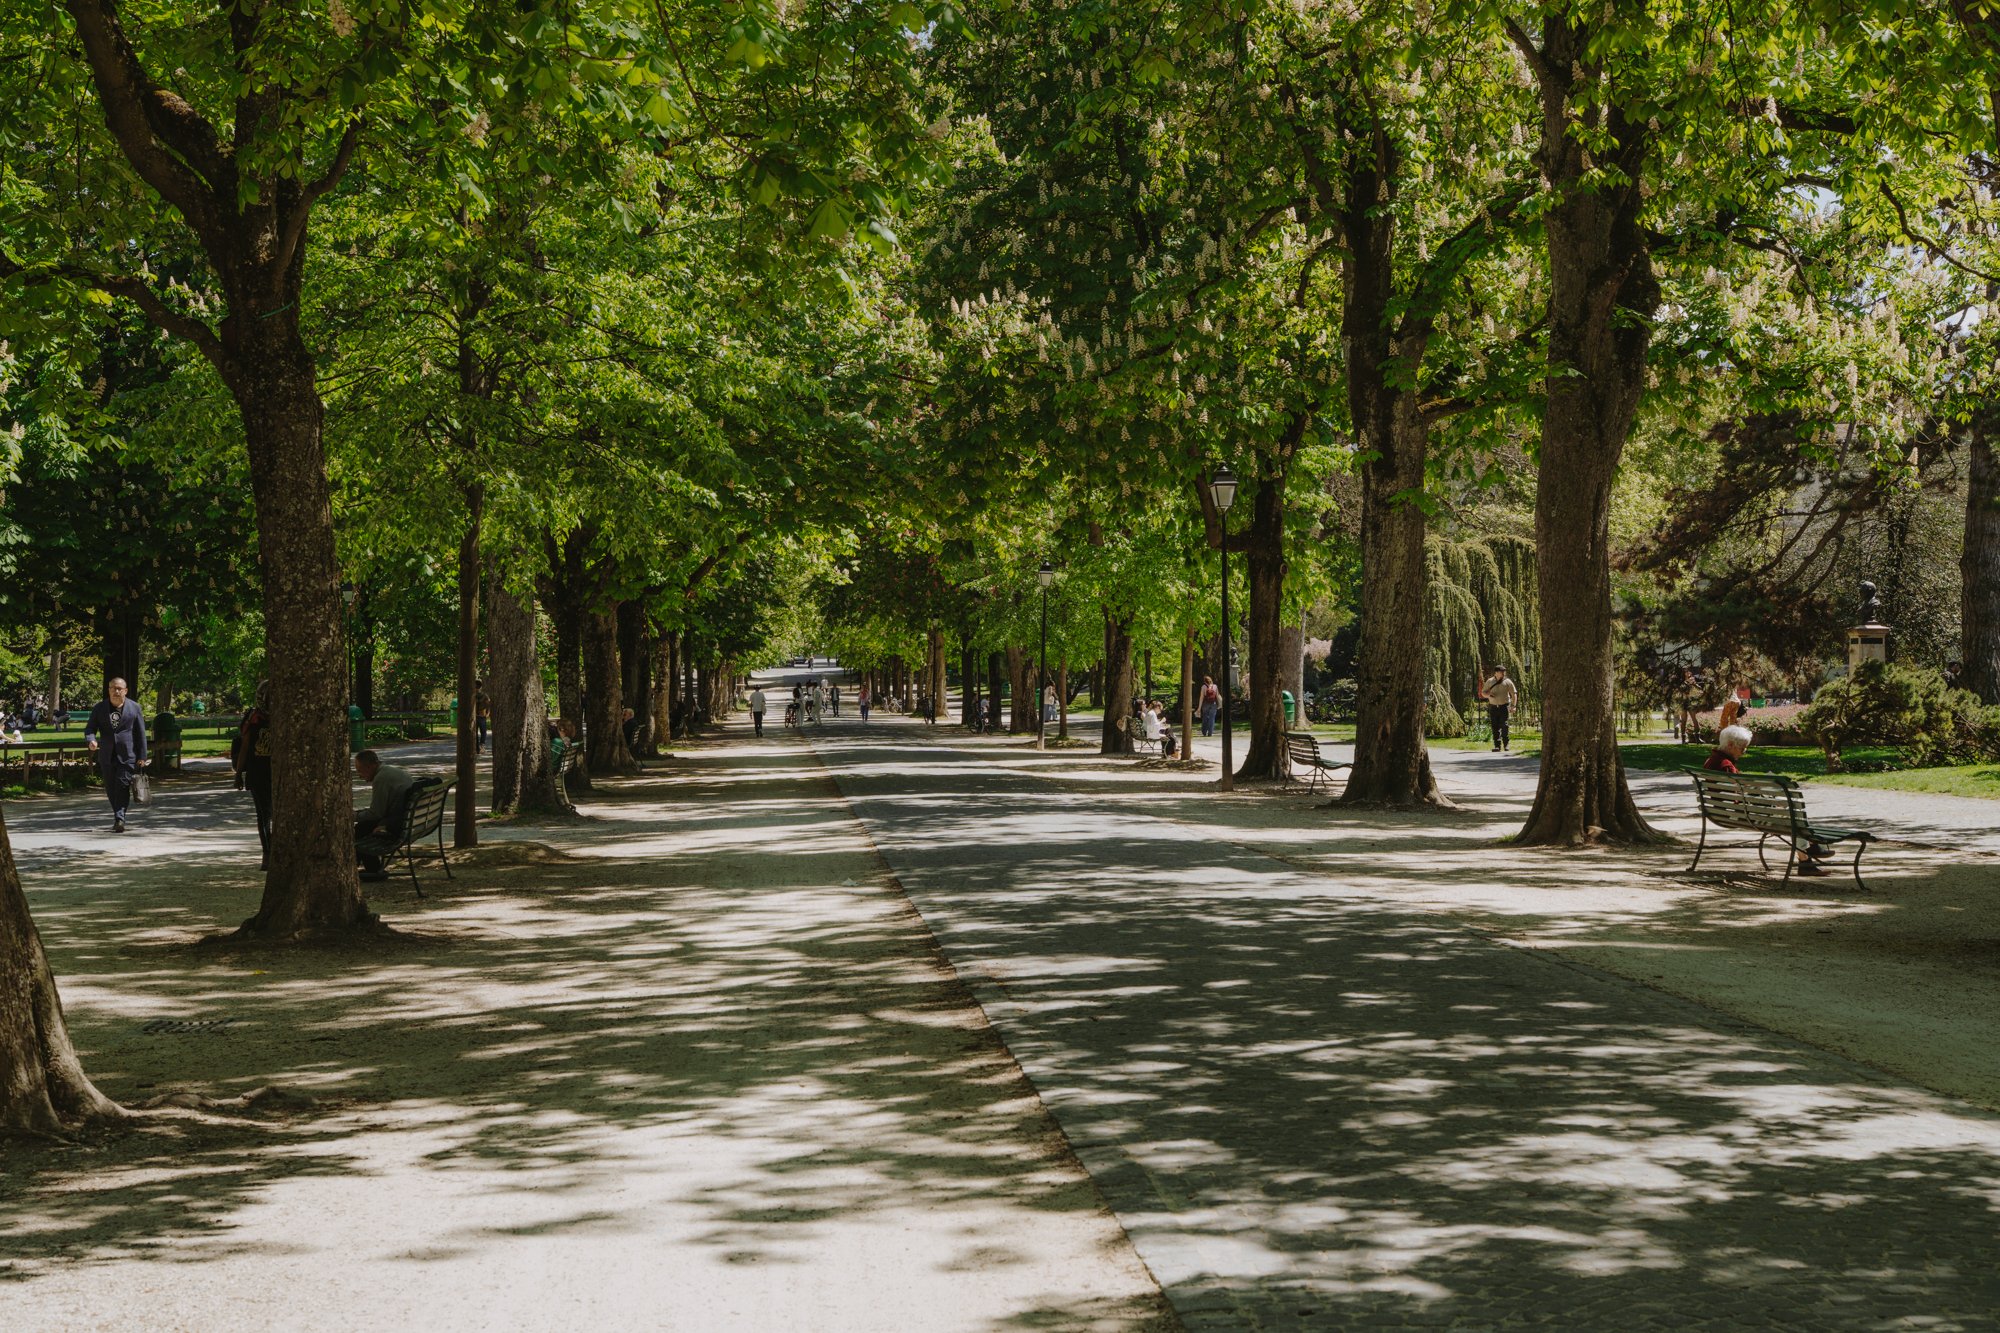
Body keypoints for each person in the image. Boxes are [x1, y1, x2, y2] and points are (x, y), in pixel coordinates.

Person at [1705, 725, 1831, 876]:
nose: (1744, 752)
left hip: (1723, 813)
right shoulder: (1725, 765)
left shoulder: (1712, 761)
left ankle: (1808, 852)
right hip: (1741, 815)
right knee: (1791, 815)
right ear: (1731, 745)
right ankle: (1808, 853)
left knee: (1787, 813)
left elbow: (1736, 792)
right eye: (1743, 748)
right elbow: (1742, 794)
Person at [84, 677, 147, 833]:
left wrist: (142, 756)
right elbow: (90, 728)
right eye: (113, 688)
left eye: (119, 688)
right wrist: (91, 740)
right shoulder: (99, 708)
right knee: (111, 788)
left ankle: (120, 818)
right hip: (107, 754)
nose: (116, 691)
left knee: (122, 785)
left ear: (125, 691)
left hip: (128, 755)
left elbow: (140, 733)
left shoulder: (134, 708)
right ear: (109, 690)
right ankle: (118, 815)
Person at [353, 749, 418, 883]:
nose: (359, 775)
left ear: (370, 766)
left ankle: (370, 870)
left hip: (397, 826)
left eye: (360, 770)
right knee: (363, 827)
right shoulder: (390, 771)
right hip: (407, 821)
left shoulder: (381, 778)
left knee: (360, 829)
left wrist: (351, 816)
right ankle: (370, 868)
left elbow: (376, 813)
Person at [232, 681, 275, 868]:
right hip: (259, 772)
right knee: (265, 814)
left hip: (270, 772)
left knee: (266, 815)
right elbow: (245, 746)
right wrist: (239, 772)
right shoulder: (254, 718)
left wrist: (239, 773)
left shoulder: (260, 717)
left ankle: (270, 852)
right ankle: (267, 852)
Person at [1481, 665, 1519, 752]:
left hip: (1504, 706)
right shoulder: (1490, 681)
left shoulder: (1507, 681)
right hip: (1493, 707)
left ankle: (1506, 745)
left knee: (1504, 725)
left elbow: (1514, 694)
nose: (1503, 673)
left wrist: (1513, 706)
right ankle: (1497, 746)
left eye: (1504, 671)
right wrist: (1488, 695)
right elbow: (1483, 693)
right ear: (1496, 672)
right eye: (1501, 671)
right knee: (1495, 726)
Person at [475, 682, 492, 754]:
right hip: (478, 716)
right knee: (481, 732)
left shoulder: (484, 695)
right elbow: (489, 704)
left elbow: (488, 704)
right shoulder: (484, 695)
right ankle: (479, 747)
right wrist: (488, 712)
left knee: (482, 732)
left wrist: (488, 712)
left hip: (481, 715)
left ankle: (480, 747)